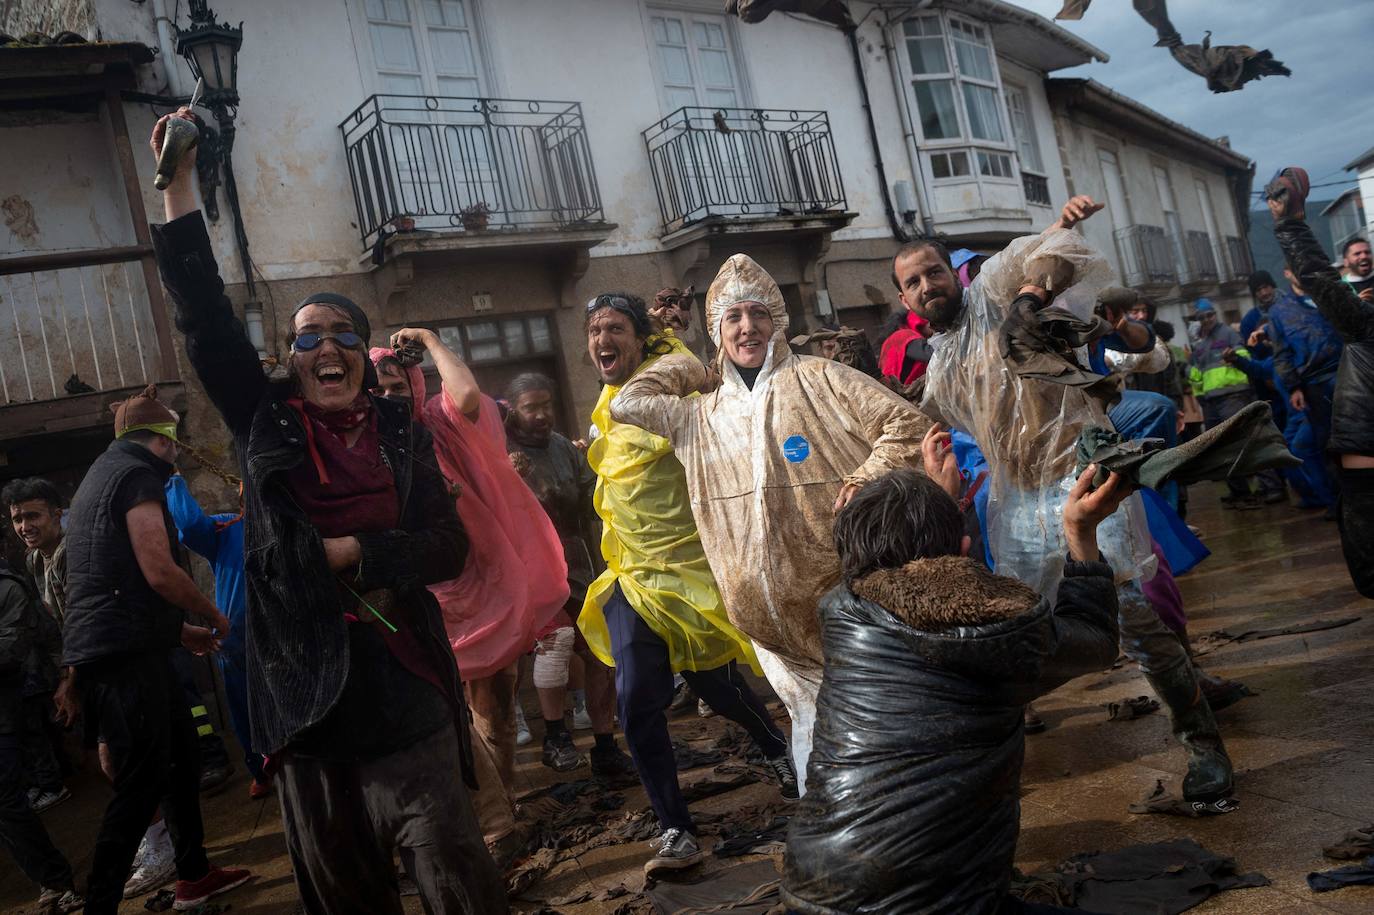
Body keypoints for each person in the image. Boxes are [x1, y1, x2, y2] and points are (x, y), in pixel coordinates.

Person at [148, 107, 504, 913]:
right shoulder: (264, 423)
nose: (329, 348)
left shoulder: (398, 432)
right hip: (307, 707)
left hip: (408, 691)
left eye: (345, 334)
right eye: (309, 337)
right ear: (290, 359)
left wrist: (363, 556)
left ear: (364, 353)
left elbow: (448, 548)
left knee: (461, 882)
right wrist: (177, 187)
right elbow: (203, 320)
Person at [902, 195, 1234, 803]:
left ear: (953, 275)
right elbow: (908, 427)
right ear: (905, 299)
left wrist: (1029, 297)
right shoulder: (941, 363)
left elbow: (1056, 253)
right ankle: (994, 770)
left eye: (933, 273)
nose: (927, 286)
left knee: (1131, 608)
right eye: (913, 282)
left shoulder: (995, 293)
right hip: (1017, 503)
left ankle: (1202, 743)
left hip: (1079, 477)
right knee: (1022, 628)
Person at [610, 254, 929, 788]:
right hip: (765, 622)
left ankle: (892, 816)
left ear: (777, 323)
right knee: (809, 722)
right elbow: (628, 402)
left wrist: (862, 479)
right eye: (732, 318)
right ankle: (836, 827)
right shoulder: (699, 414)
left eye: (758, 314)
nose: (747, 327)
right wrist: (694, 365)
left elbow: (907, 425)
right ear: (717, 331)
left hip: (842, 604)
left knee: (873, 720)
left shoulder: (821, 379)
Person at [783, 466, 1126, 915]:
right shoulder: (1000, 630)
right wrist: (1079, 531)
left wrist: (926, 509)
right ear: (965, 549)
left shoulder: (841, 612)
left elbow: (904, 574)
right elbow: (1096, 641)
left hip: (812, 889)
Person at [579, 291, 794, 876]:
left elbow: (702, 386)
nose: (603, 339)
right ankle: (674, 825)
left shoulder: (670, 374)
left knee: (720, 685)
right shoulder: (608, 397)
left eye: (615, 327)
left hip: (688, 568)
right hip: (631, 573)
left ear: (640, 336)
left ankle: (776, 748)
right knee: (634, 699)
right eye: (595, 329)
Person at [369, 334, 567, 860]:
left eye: (397, 386)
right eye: (378, 388)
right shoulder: (365, 450)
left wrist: (432, 341)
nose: (388, 397)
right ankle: (487, 823)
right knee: (442, 716)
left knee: (496, 708)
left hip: (484, 585)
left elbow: (469, 398)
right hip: (419, 596)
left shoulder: (438, 423)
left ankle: (505, 808)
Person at [56, 386, 251, 914]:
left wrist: (173, 631)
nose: (177, 451)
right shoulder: (137, 474)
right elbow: (158, 569)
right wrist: (210, 614)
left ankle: (194, 876)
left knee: (182, 757)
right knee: (140, 783)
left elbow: (114, 573)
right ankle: (100, 903)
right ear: (161, 441)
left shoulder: (102, 473)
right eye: (176, 441)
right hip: (123, 656)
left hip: (131, 642)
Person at [502, 372, 633, 781]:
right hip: (529, 571)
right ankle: (555, 737)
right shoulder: (498, 451)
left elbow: (592, 497)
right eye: (531, 408)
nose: (541, 415)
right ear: (511, 410)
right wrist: (509, 478)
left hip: (577, 564)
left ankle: (606, 745)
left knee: (599, 654)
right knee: (555, 643)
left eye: (546, 406)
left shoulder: (563, 448)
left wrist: (611, 470)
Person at [1268, 167, 1374, 598]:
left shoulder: (1362, 322)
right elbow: (1317, 275)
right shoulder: (1363, 322)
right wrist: (1289, 224)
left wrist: (1289, 222)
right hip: (1359, 441)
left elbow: (1317, 276)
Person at [164, 475, 267, 798]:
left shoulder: (292, 527)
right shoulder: (227, 527)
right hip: (238, 642)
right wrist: (172, 480)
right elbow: (192, 527)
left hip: (285, 635)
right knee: (244, 708)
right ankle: (262, 771)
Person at [0, 555, 85, 913]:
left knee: (5, 800)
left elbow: (10, 649)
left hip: (8, 710)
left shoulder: (7, 588)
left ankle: (55, 880)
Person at [1, 478, 70, 813]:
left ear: (57, 514)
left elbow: (83, 622)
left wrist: (71, 678)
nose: (24, 526)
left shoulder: (73, 552)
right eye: (17, 519)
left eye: (33, 516)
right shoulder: (34, 559)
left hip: (100, 662)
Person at [1188, 299, 1285, 507]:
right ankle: (1240, 492)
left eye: (1210, 315)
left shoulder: (1229, 334)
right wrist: (1198, 393)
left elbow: (1244, 356)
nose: (1207, 320)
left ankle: (1272, 487)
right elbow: (1197, 373)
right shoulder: (1199, 343)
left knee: (1249, 441)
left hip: (1235, 396)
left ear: (1215, 314)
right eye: (1202, 317)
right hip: (1211, 400)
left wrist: (1234, 356)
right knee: (1222, 448)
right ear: (1197, 320)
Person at [1269, 269, 1344, 490]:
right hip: (1314, 385)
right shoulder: (1280, 311)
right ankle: (1337, 500)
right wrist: (1294, 388)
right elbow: (1281, 353)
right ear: (1286, 273)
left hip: (1348, 374)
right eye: (1295, 268)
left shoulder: (1331, 296)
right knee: (1325, 444)